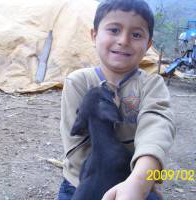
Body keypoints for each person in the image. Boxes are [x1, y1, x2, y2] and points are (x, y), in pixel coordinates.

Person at [59, 0, 175, 199]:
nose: (123, 40)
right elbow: (76, 143)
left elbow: (157, 126)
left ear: (148, 44)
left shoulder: (151, 85)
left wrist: (142, 179)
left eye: (136, 34)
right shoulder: (78, 82)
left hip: (132, 179)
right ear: (94, 35)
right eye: (114, 30)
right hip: (82, 182)